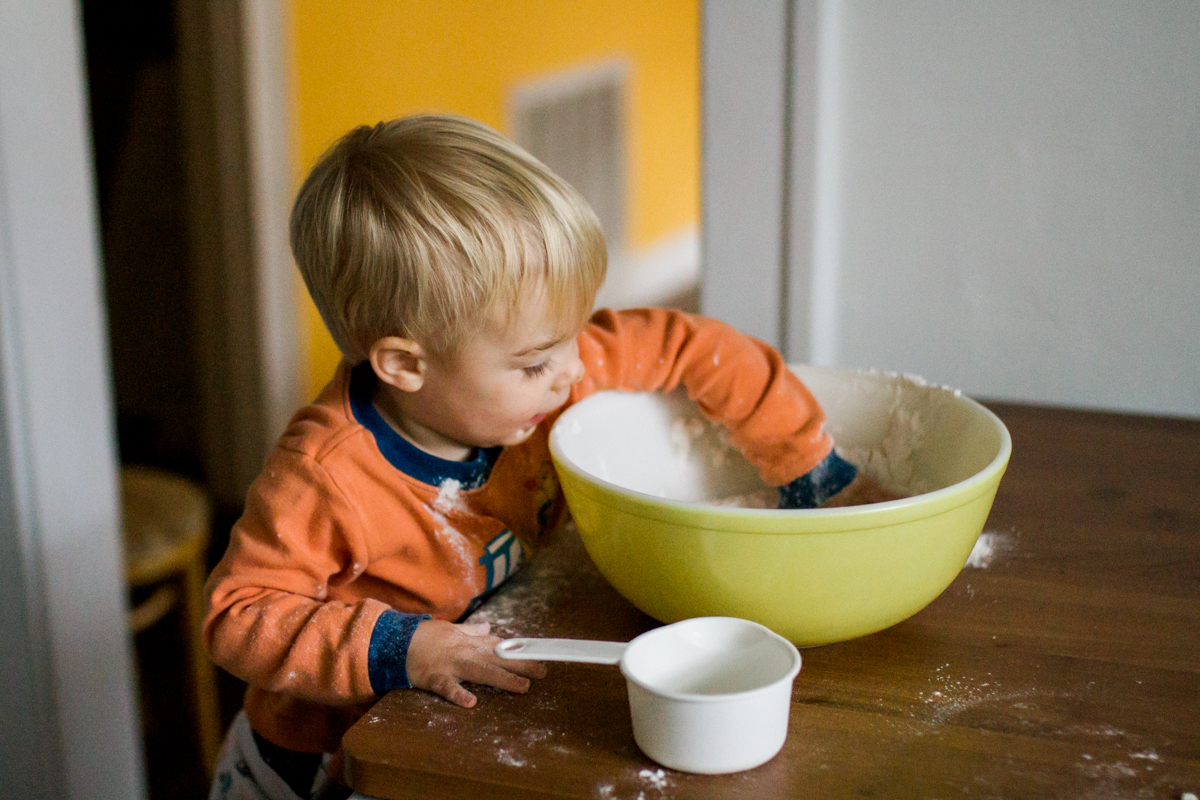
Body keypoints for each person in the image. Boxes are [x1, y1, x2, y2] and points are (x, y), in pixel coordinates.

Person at [203, 114, 892, 800]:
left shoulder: (549, 372)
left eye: (575, 331)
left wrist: (806, 463)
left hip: (455, 711)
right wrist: (400, 647)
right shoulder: (325, 477)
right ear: (405, 365)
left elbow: (700, 347)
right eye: (537, 359)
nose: (573, 371)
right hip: (323, 754)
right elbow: (236, 615)